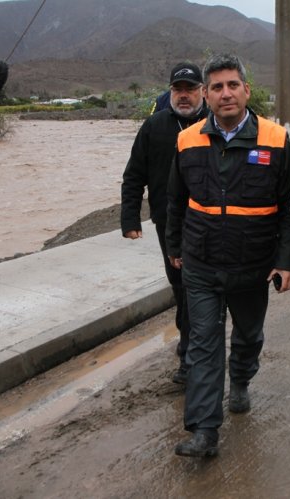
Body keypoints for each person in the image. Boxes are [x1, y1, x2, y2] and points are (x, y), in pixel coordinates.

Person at [166, 54, 290, 458]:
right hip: (202, 263)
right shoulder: (188, 139)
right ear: (206, 95)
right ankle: (205, 430)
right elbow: (175, 200)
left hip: (253, 265)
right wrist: (175, 248)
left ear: (246, 89)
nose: (225, 93)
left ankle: (241, 379)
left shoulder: (276, 140)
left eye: (232, 85)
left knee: (247, 336)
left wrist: (288, 259)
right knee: (203, 346)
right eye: (217, 87)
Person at [121, 62, 208, 384]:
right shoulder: (154, 126)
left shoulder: (216, 124)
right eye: (178, 90)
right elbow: (133, 176)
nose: (184, 96)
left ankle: (190, 357)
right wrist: (130, 218)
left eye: (190, 89)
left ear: (202, 91)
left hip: (209, 223)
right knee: (181, 286)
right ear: (170, 92)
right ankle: (190, 343)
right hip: (168, 223)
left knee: (198, 288)